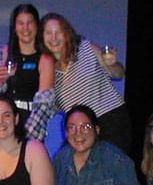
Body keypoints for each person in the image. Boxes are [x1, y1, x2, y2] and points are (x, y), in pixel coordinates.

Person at [39, 12, 132, 155]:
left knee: (109, 173)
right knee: (66, 167)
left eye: (58, 32)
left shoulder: (85, 48)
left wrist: (112, 64)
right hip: (80, 130)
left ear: (66, 33)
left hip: (111, 121)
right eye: (48, 33)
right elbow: (56, 106)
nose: (54, 38)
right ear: (42, 38)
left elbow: (118, 74)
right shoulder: (47, 71)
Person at [0, 3, 55, 142]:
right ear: (14, 27)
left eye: (29, 23)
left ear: (37, 26)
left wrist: (23, 138)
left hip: (30, 125)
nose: (25, 28)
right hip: (1, 124)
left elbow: (44, 106)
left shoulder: (45, 58)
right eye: (20, 23)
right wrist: (0, 82)